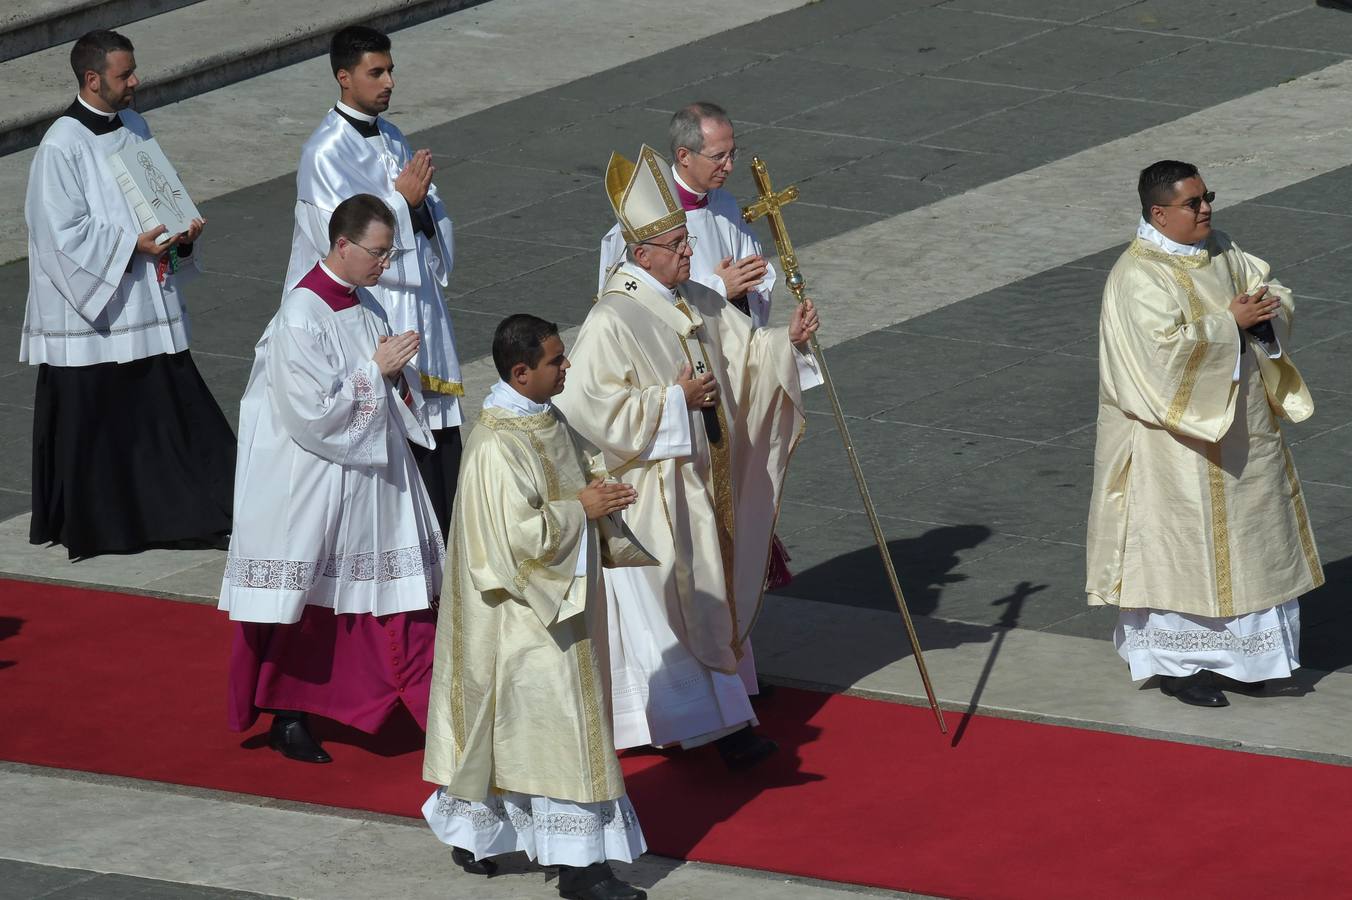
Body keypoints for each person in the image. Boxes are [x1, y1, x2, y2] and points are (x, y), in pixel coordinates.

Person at [556, 145, 821, 768]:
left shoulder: (692, 299)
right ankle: (714, 731)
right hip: (649, 492)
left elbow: (746, 353)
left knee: (704, 594)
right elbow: (589, 408)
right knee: (679, 606)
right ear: (639, 253)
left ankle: (718, 718)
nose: (687, 251)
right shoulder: (611, 319)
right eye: (676, 244)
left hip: (701, 479)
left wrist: (790, 342)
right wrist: (672, 401)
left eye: (685, 240)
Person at [423, 314, 650, 900]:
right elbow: (511, 543)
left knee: (524, 734)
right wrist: (583, 508)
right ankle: (581, 871)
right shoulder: (496, 446)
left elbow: (579, 479)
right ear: (521, 373)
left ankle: (479, 831)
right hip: (524, 615)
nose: (566, 366)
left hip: (563, 606)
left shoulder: (548, 419)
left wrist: (603, 495)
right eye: (556, 360)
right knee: (557, 734)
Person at [1086, 159, 1324, 708]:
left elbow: (1267, 289)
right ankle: (1179, 663)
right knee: (1181, 548)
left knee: (1253, 540)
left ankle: (1250, 661)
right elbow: (1154, 359)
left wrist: (1265, 310)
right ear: (1159, 213)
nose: (1207, 209)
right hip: (1173, 442)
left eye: (1207, 196)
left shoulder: (1221, 249)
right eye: (1193, 203)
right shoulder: (1136, 276)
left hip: (1243, 427)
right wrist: (1228, 325)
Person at [219, 194, 444, 763]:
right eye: (377, 251)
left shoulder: (364, 301)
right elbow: (311, 414)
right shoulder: (301, 315)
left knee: (386, 594)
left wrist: (399, 377)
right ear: (341, 245)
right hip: (319, 483)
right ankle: (291, 713)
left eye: (391, 252)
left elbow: (374, 382)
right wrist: (378, 372)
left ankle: (415, 699)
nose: (385, 264)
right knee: (317, 602)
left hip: (372, 476)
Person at [22, 29, 232, 559]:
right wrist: (129, 246)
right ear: (92, 80)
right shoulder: (61, 146)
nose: (135, 81)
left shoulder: (135, 126)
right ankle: (111, 523)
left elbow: (160, 193)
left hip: (143, 292)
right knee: (105, 424)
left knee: (166, 408)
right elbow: (59, 235)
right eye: (124, 75)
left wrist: (180, 231)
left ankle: (185, 511)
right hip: (97, 313)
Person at [286, 25, 463, 537]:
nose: (388, 82)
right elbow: (339, 238)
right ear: (344, 77)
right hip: (375, 301)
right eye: (375, 72)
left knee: (438, 429)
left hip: (417, 298)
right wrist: (404, 204)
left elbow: (425, 209)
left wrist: (423, 207)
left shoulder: (391, 135)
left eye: (390, 71)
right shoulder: (324, 153)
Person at [597, 102, 774, 326]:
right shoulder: (647, 221)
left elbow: (756, 276)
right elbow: (636, 303)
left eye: (732, 154)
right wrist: (719, 288)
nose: (728, 166)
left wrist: (746, 288)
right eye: (718, 157)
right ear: (684, 156)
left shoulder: (725, 204)